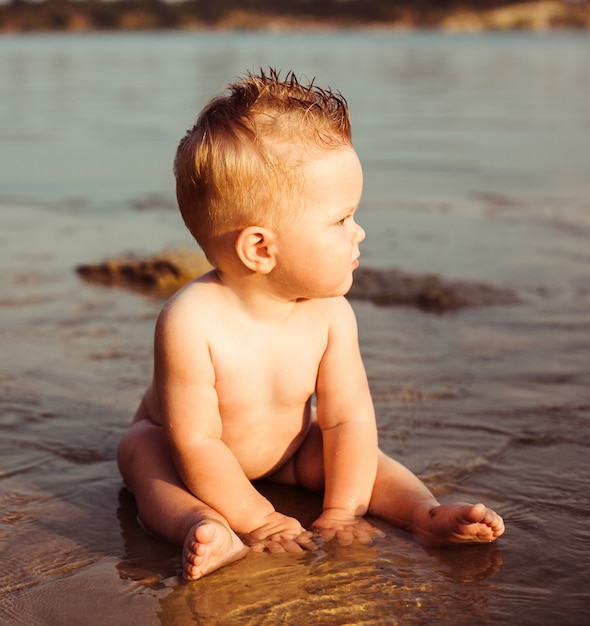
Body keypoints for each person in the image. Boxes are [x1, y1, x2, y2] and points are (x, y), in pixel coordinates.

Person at [117, 69, 505, 581]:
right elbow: (198, 444)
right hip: (190, 459)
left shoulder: (329, 314)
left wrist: (344, 509)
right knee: (143, 455)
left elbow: (348, 420)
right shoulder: (190, 321)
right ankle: (203, 526)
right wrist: (259, 520)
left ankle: (421, 513)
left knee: (357, 454)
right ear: (260, 248)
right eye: (341, 220)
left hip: (291, 454)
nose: (359, 231)